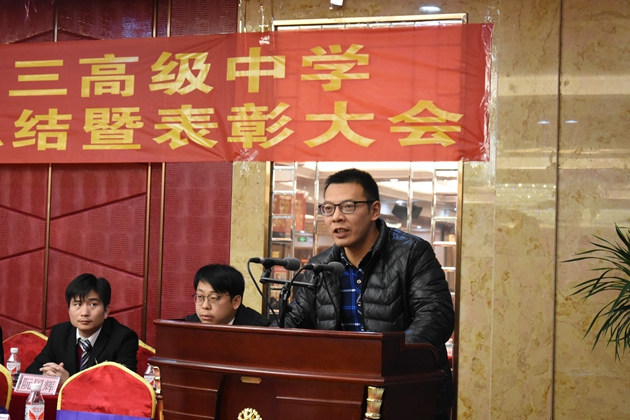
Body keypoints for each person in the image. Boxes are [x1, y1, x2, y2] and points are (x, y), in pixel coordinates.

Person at [283, 168, 455, 419]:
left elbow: (436, 317)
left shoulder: (413, 253)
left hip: (408, 394)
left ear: (374, 210)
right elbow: (294, 326)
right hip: (342, 397)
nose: (336, 217)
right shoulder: (320, 267)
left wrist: (378, 359)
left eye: (348, 207)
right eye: (328, 208)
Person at [26, 273, 138, 385]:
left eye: (93, 304)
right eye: (78, 304)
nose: (84, 313)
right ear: (69, 310)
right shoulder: (59, 333)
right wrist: (47, 375)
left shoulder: (123, 338)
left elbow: (124, 384)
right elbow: (33, 371)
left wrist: (69, 382)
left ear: (106, 311)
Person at [183, 263, 271, 326]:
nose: (205, 306)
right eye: (200, 297)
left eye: (213, 298)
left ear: (236, 301)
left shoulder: (258, 330)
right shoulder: (187, 325)